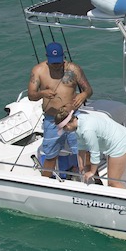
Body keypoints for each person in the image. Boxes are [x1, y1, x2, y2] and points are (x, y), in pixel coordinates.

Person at [27, 42, 93, 178]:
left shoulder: (74, 69)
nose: (56, 66)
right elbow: (31, 95)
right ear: (47, 58)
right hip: (52, 120)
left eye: (59, 62)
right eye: (53, 63)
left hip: (72, 117)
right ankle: (45, 181)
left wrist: (83, 94)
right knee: (50, 154)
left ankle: (92, 179)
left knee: (83, 150)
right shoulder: (38, 71)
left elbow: (89, 90)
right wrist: (43, 93)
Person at [55, 109, 126, 189]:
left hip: (121, 144)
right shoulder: (80, 119)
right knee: (111, 181)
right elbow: (81, 145)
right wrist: (80, 165)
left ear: (67, 126)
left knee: (113, 183)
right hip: (119, 138)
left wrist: (92, 172)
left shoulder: (87, 130)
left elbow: (95, 152)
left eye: (64, 129)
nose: (66, 131)